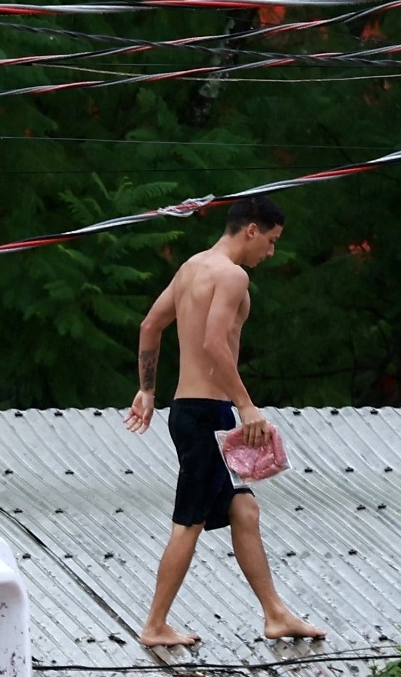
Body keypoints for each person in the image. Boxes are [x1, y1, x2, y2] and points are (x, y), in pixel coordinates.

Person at [123, 195, 321, 650]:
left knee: (244, 509)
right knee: (188, 522)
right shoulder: (232, 275)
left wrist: (147, 390)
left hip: (195, 412)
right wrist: (247, 406)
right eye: (270, 241)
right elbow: (215, 344)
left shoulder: (192, 267)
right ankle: (154, 624)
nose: (269, 252)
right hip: (206, 414)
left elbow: (150, 326)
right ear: (251, 229)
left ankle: (275, 613)